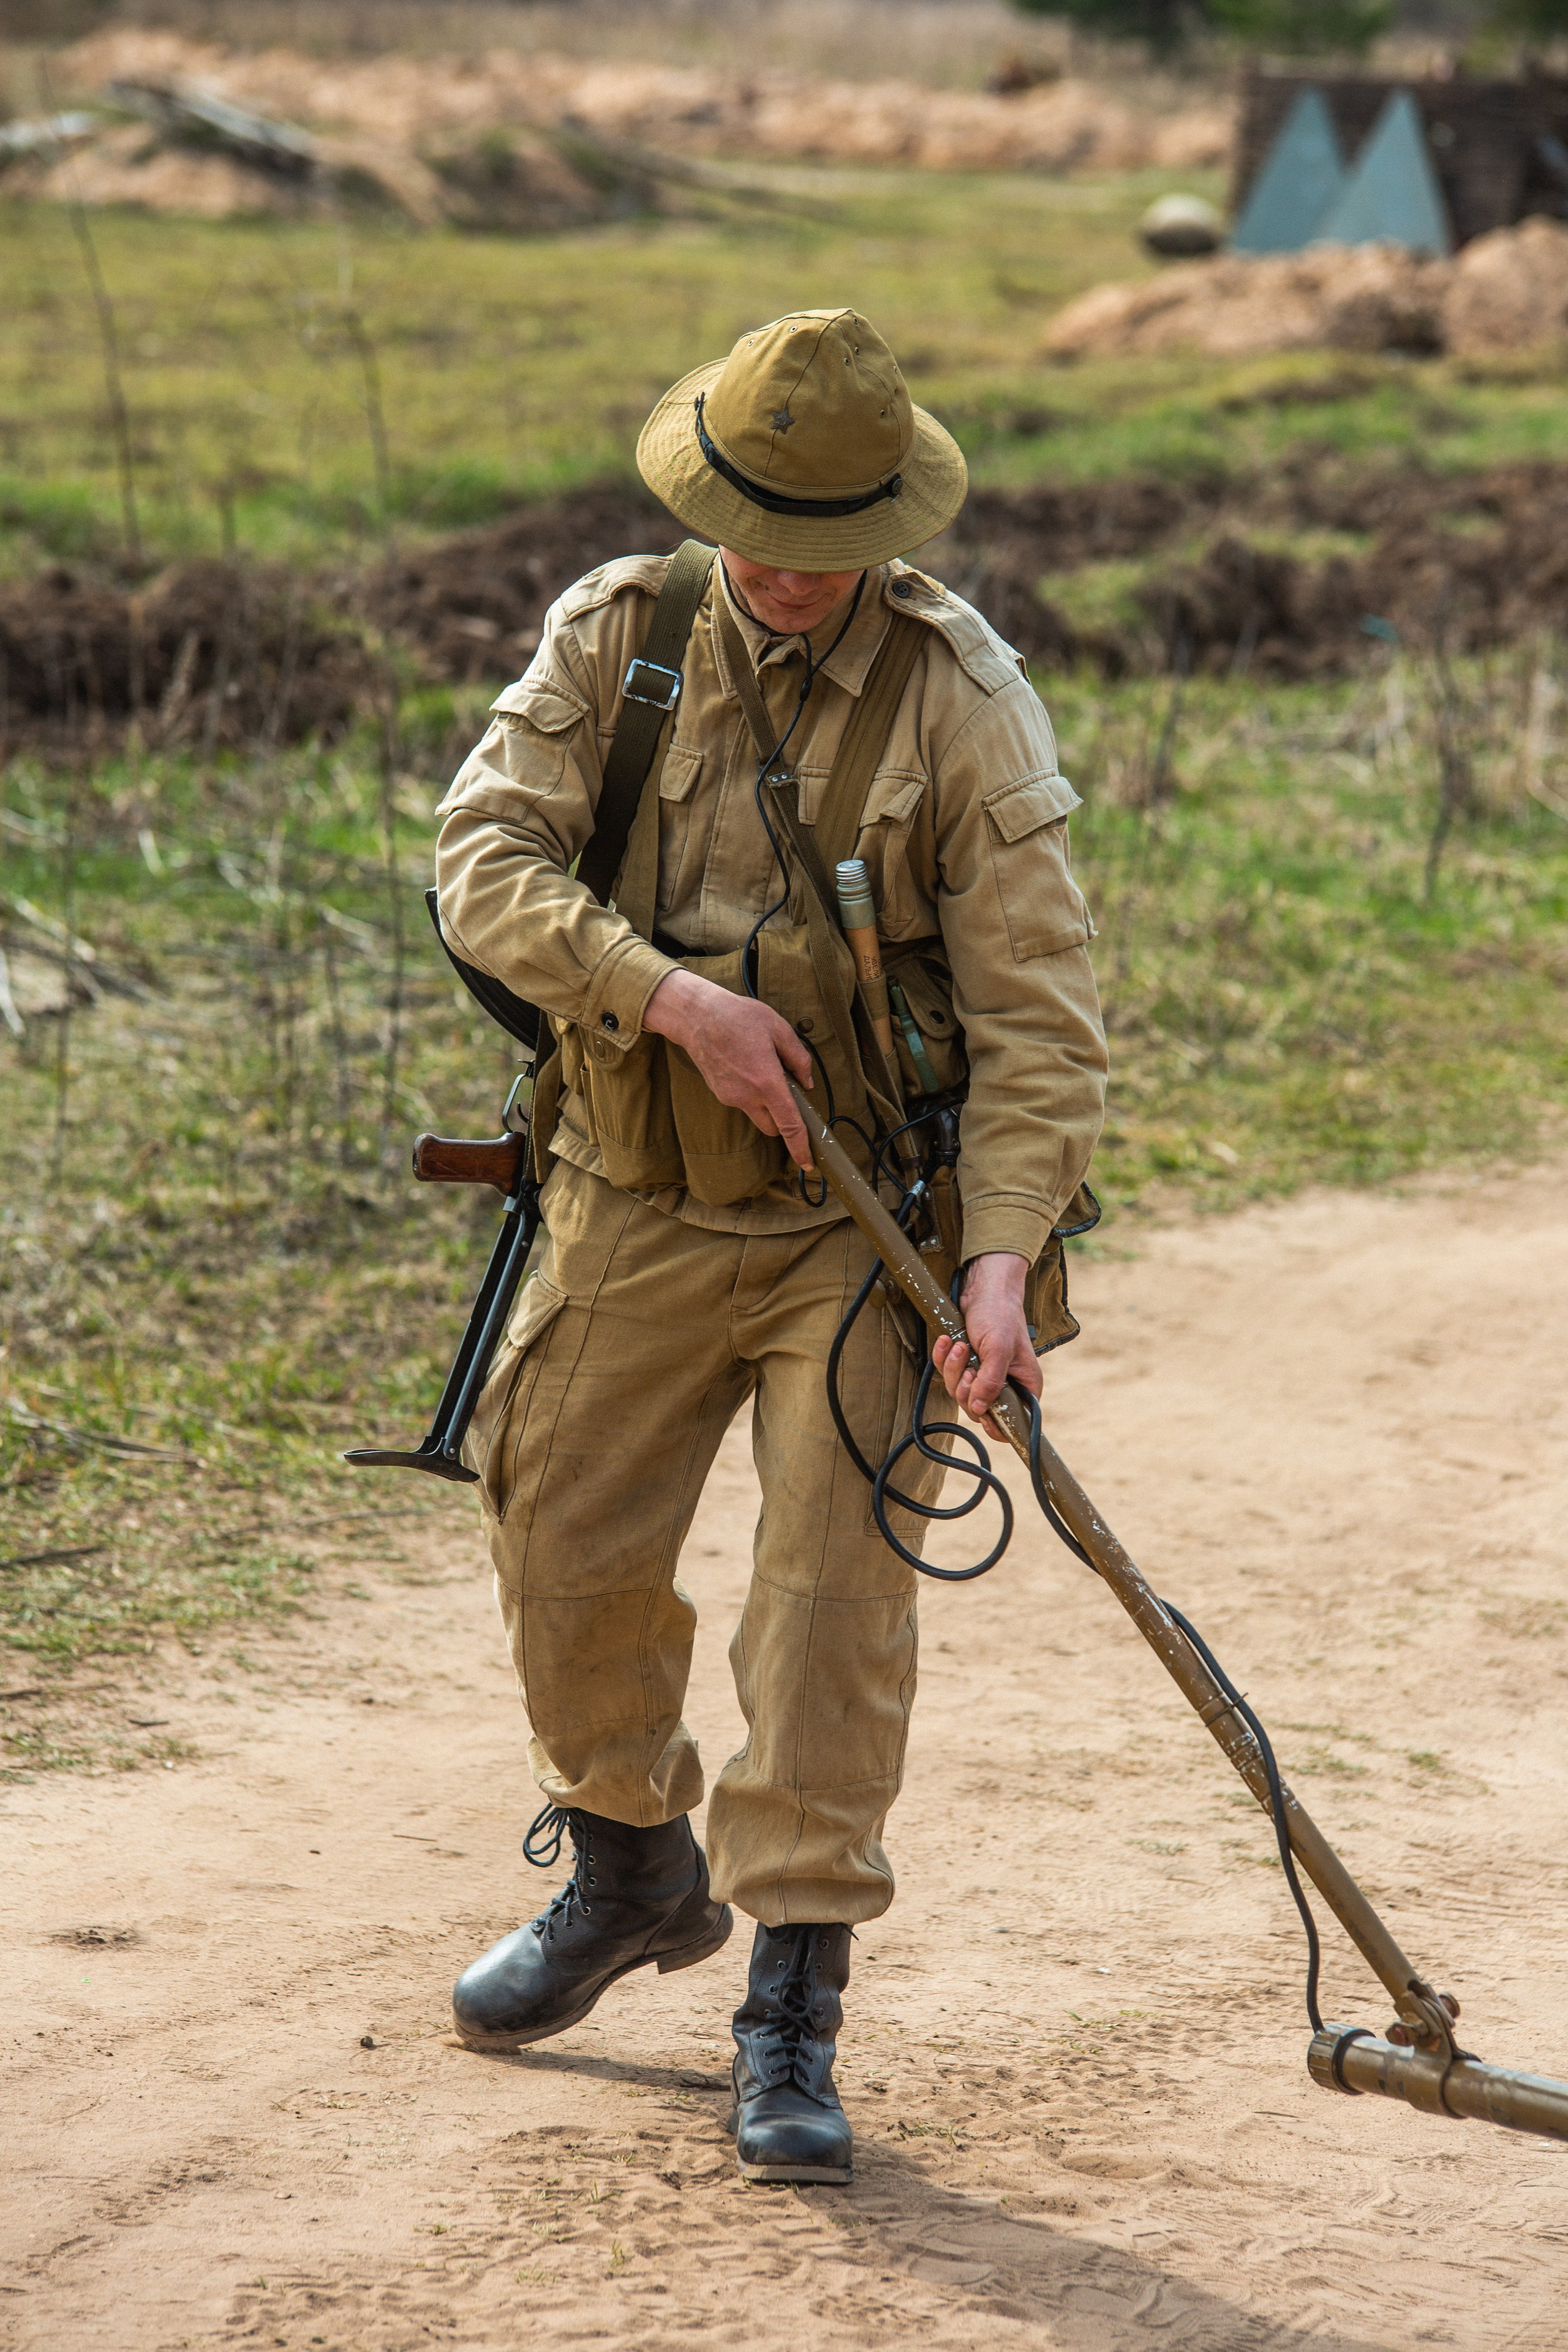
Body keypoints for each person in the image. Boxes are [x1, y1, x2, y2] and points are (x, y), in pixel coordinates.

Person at [432, 308, 1107, 2185]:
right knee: (558, 1535)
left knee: (826, 1605)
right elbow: (482, 864)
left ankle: (791, 1995)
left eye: (825, 547)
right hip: (638, 1193)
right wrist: (669, 1003)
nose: (785, 577)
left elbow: (1043, 1023)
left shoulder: (962, 698)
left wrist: (997, 1265)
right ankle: (636, 1866)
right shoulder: (622, 637)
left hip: (861, 1227)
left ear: (891, 531)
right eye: (754, 533)